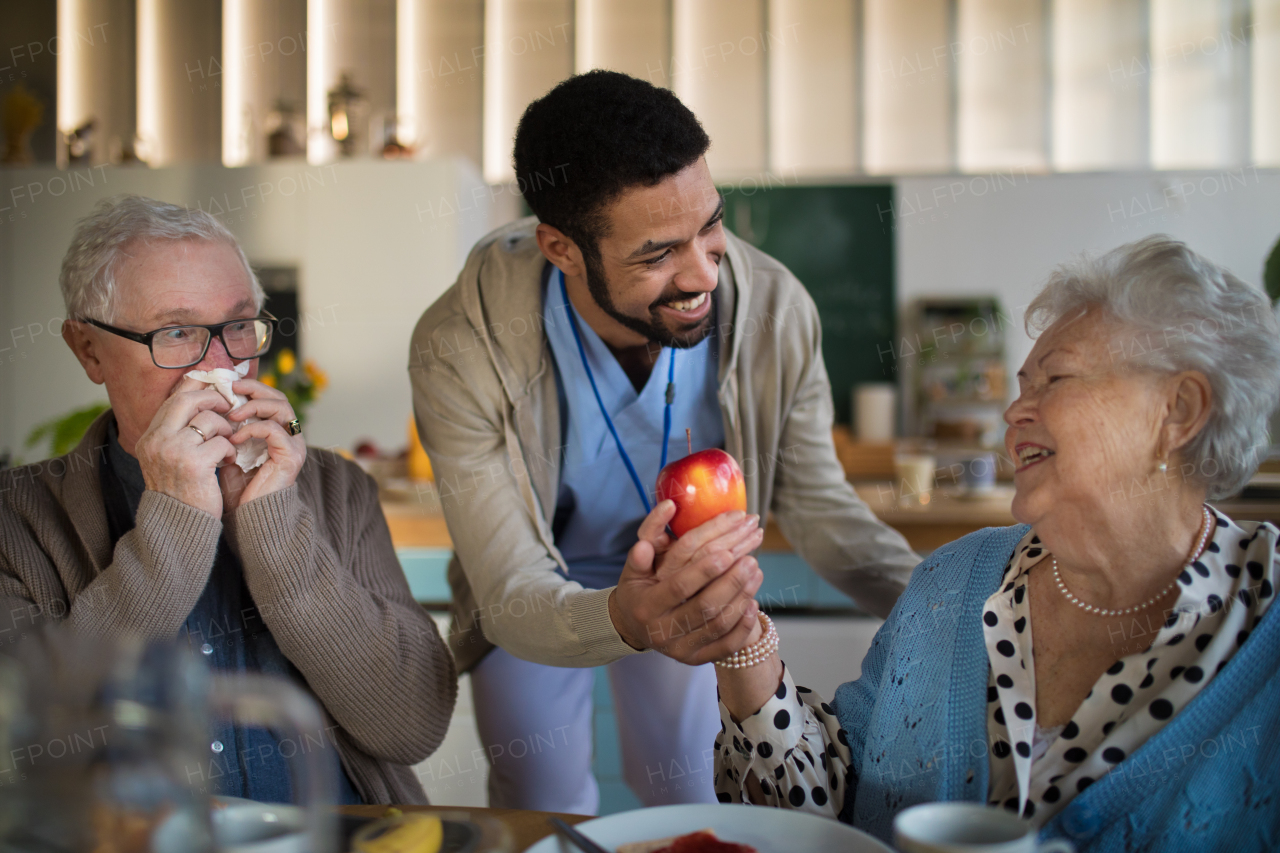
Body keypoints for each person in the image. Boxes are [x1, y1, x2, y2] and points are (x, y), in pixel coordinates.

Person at [408, 70, 918, 813]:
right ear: (562, 248)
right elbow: (511, 587)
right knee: (542, 802)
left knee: (685, 791)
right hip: (538, 590)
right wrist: (628, 614)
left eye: (710, 226)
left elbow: (822, 513)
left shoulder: (774, 309)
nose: (702, 273)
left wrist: (955, 610)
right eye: (656, 254)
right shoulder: (460, 344)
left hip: (688, 577)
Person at [710, 236, 1280, 850]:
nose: (1013, 412)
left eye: (1054, 379)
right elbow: (832, 807)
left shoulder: (1264, 621)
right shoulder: (953, 581)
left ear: (1179, 410)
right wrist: (742, 644)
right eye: (1021, 384)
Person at [0, 195, 457, 805]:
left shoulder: (338, 488)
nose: (223, 366)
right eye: (178, 332)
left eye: (240, 325)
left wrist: (272, 523)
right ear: (88, 350)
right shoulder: (14, 517)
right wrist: (177, 520)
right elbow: (33, 746)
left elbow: (414, 724)